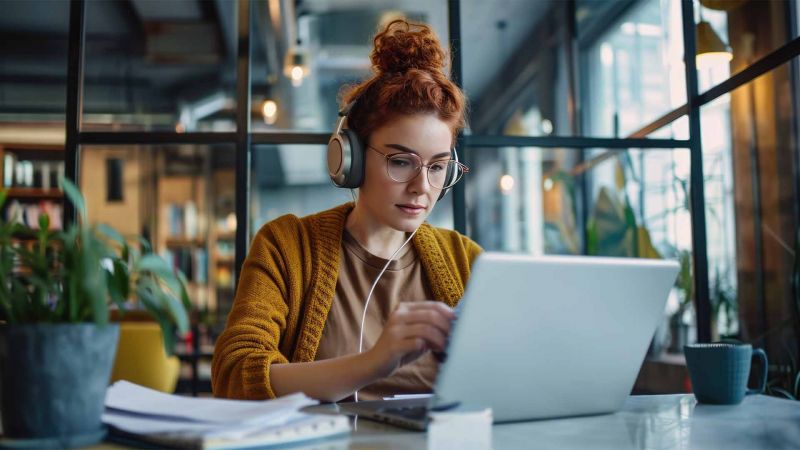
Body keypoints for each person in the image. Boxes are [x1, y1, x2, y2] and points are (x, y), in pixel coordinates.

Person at [211, 19, 481, 402]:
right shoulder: (286, 247)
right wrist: (373, 363)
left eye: (437, 167)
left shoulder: (467, 261)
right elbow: (235, 372)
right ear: (349, 158)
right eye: (401, 162)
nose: (423, 187)